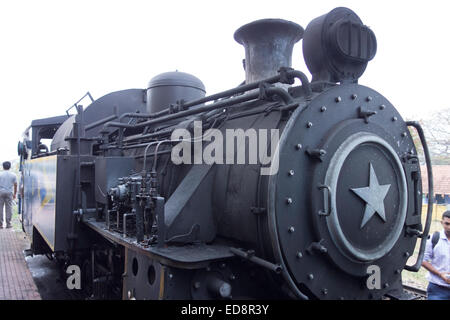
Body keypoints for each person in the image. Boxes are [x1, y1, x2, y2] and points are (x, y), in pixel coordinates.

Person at [421, 210, 450, 300]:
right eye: (447, 224)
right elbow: (423, 260)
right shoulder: (434, 238)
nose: (449, 227)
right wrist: (440, 274)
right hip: (437, 289)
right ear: (441, 222)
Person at [0, 161, 17, 229]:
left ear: (3, 167)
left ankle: (0, 224)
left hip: (1, 192)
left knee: (0, 208)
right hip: (9, 192)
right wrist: (15, 193)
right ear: (10, 166)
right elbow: (15, 185)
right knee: (9, 208)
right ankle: (8, 224)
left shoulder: (0, 174)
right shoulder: (13, 175)